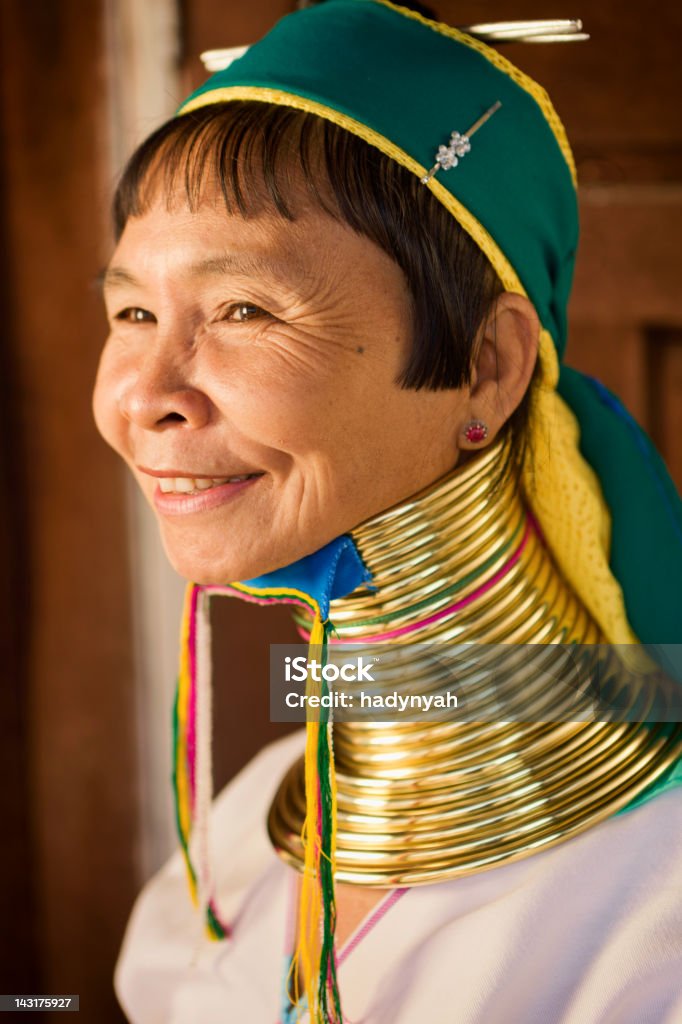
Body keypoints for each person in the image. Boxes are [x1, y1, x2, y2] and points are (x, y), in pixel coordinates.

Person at [93, 1, 682, 1021]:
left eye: (242, 310)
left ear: (485, 367)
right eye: (133, 311)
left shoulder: (651, 908)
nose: (143, 395)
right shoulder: (253, 822)